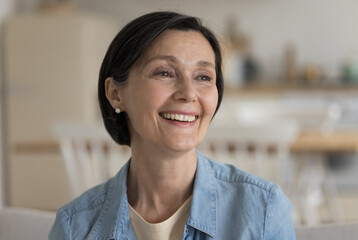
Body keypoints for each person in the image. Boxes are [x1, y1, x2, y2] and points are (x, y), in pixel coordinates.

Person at [49, 11, 295, 240]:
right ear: (115, 94)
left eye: (203, 77)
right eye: (164, 73)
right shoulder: (74, 227)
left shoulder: (263, 209)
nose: (188, 94)